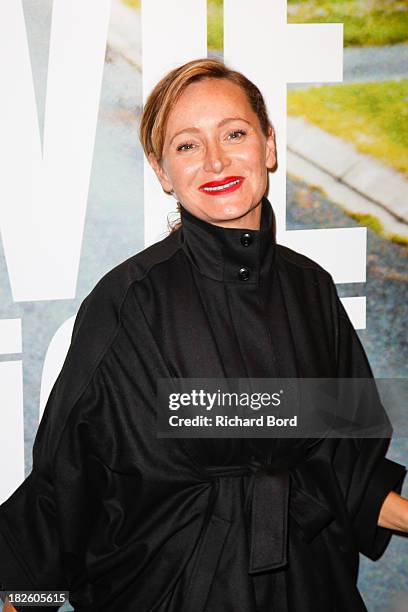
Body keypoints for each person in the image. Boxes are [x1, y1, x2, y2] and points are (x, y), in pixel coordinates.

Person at [1, 58, 407, 612]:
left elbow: (345, 469)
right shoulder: (128, 304)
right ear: (163, 172)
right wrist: (21, 599)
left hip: (311, 591)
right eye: (187, 145)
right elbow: (63, 488)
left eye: (234, 134)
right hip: (173, 594)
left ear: (268, 145)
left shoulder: (312, 290)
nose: (216, 160)